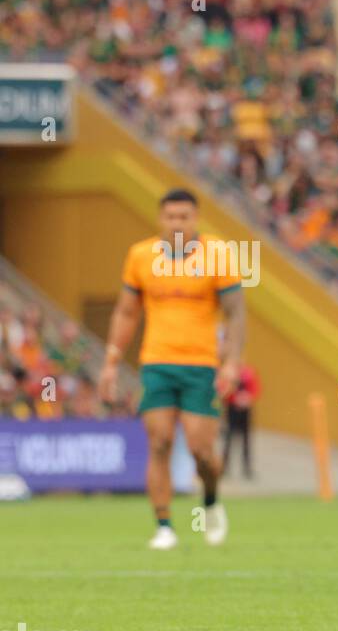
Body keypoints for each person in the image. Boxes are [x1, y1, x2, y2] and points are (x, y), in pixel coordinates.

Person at [98, 189, 247, 549]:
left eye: (184, 216)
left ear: (196, 219)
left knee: (201, 451)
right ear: (160, 218)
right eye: (170, 216)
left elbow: (236, 312)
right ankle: (164, 526)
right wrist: (112, 361)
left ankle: (210, 501)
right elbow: (127, 311)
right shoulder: (140, 255)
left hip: (201, 365)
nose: (177, 223)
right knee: (160, 442)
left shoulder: (218, 254)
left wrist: (231, 362)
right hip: (157, 363)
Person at [223, 362, 260, 479]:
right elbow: (224, 390)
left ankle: (247, 468)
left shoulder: (248, 373)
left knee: (246, 440)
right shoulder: (228, 373)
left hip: (245, 411)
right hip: (232, 409)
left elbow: (255, 389)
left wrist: (248, 398)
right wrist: (234, 398)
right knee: (228, 439)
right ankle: (225, 467)